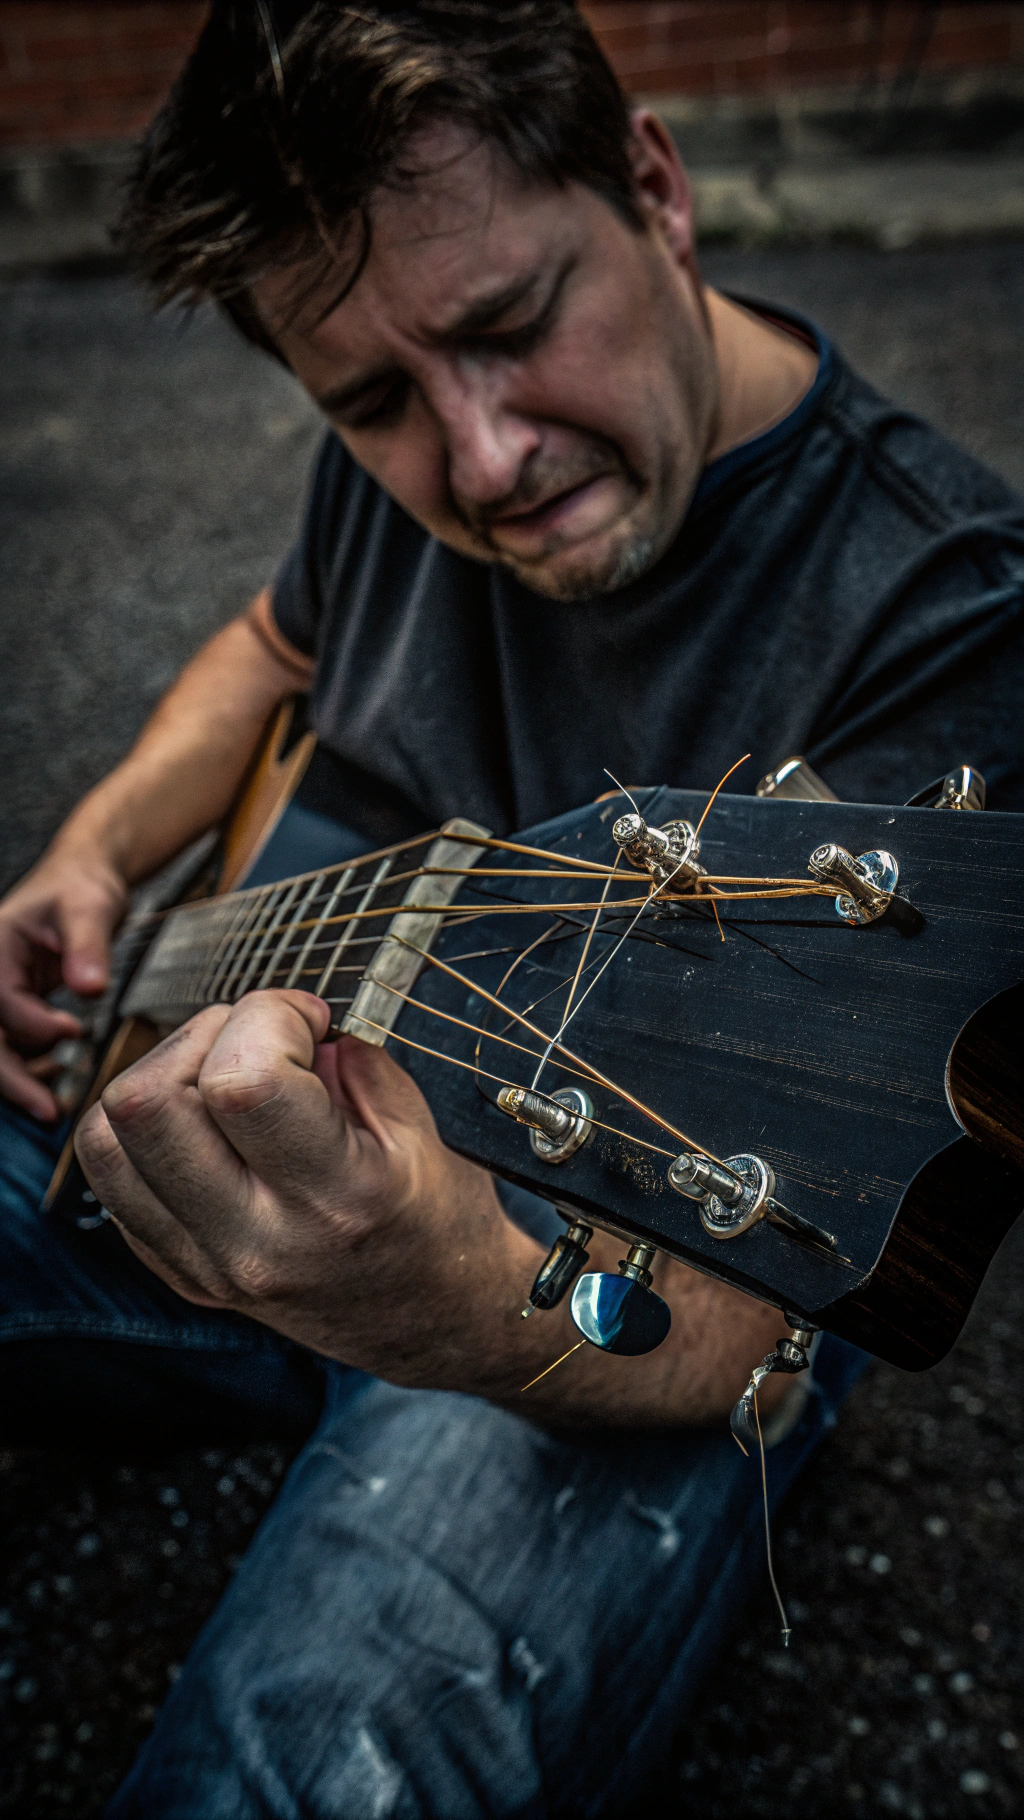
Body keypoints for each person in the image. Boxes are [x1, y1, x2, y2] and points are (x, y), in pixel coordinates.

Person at [1, 2, 1022, 1812]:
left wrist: (440, 1297)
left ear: (655, 185)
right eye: (376, 402)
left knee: (312, 1773)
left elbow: (744, 1332)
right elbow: (269, 649)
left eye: (510, 324)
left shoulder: (948, 620)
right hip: (222, 1124)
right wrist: (91, 854)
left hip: (576, 1302)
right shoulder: (389, 447)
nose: (476, 464)